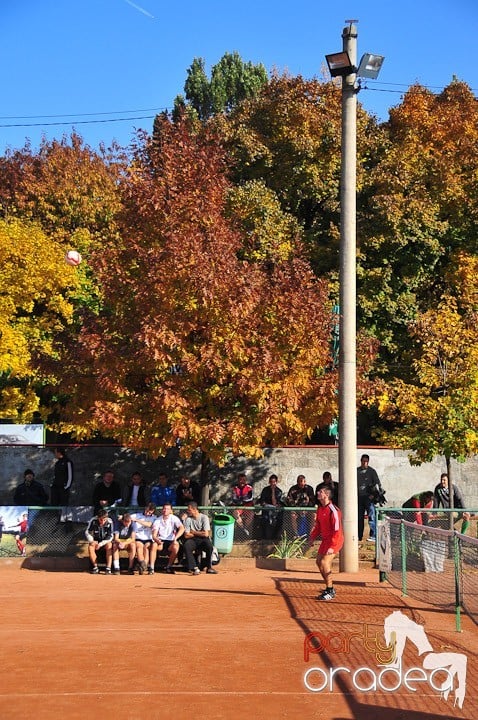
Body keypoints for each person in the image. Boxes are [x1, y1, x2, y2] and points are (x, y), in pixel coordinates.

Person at [309, 486, 344, 601]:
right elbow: (318, 526)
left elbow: (337, 531)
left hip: (335, 540)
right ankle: (329, 588)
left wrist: (332, 547)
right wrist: (312, 537)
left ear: (326, 495)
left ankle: (330, 589)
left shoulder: (333, 510)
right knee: (319, 562)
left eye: (321, 492)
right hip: (326, 540)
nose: (318, 493)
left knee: (325, 562)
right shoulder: (320, 509)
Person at [182, 501, 217, 575]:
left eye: (189, 510)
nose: (188, 511)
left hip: (203, 539)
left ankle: (209, 567)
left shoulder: (204, 517)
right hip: (193, 539)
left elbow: (206, 534)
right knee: (187, 545)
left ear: (195, 509)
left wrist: (193, 532)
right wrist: (199, 533)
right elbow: (186, 535)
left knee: (209, 546)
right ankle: (194, 568)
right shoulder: (188, 519)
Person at [151, 502, 184, 574]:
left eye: (167, 509)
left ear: (171, 510)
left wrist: (175, 538)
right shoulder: (157, 520)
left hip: (171, 541)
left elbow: (182, 528)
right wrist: (156, 539)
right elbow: (154, 534)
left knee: (176, 545)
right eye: (164, 508)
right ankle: (151, 568)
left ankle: (169, 566)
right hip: (160, 541)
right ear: (162, 510)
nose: (165, 510)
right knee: (154, 545)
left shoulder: (174, 518)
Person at [357, 454, 383, 542]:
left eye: (366, 461)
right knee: (359, 517)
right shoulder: (356, 471)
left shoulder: (371, 471)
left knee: (371, 516)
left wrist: (373, 495)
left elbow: (377, 484)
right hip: (359, 497)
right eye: (363, 461)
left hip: (368, 498)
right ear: (361, 461)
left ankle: (373, 536)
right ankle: (358, 536)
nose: (365, 463)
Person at [85, 508, 114, 574]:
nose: (103, 522)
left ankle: (108, 568)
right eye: (101, 520)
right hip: (95, 541)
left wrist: (101, 544)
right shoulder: (93, 520)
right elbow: (88, 532)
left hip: (105, 542)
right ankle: (95, 567)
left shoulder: (110, 522)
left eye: (104, 520)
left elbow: (111, 536)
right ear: (98, 517)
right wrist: (91, 541)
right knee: (90, 547)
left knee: (109, 545)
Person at [51, 448, 74, 532]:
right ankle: (55, 525)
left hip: (63, 489)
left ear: (59, 452)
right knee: (55, 506)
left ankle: (67, 526)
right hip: (56, 489)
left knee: (65, 507)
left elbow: (70, 476)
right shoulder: (57, 463)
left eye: (55, 452)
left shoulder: (68, 462)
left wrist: (66, 487)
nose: (55, 454)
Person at [131, 503, 157, 575]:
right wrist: (122, 517)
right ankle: (143, 564)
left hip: (148, 538)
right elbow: (126, 518)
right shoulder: (137, 515)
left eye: (150, 512)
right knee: (139, 547)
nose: (147, 513)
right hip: (138, 537)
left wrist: (137, 520)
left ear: (153, 511)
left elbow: (149, 524)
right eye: (147, 510)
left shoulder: (154, 518)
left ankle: (143, 567)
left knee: (146, 548)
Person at [259, 474, 284, 540]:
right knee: (265, 519)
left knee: (279, 520)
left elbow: (275, 503)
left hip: (275, 512)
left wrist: (273, 492)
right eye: (271, 482)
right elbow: (262, 501)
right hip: (267, 511)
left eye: (274, 482)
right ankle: (264, 538)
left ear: (276, 482)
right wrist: (266, 505)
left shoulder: (279, 491)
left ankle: (275, 537)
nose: (272, 483)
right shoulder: (265, 490)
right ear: (269, 482)